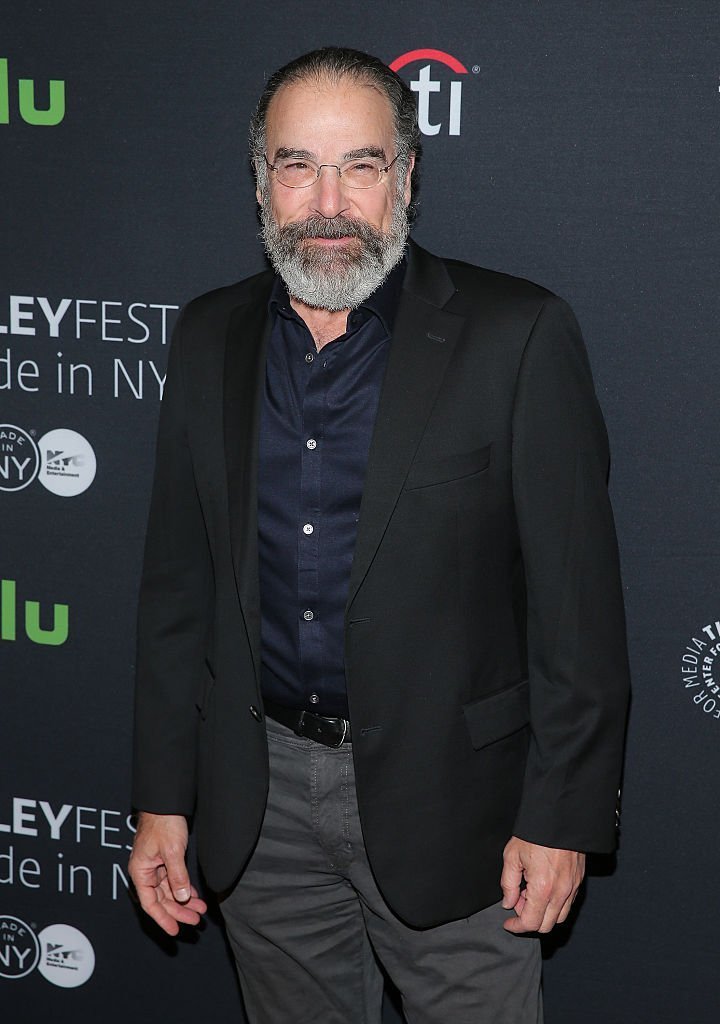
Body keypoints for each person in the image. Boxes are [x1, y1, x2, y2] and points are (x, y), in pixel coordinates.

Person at [128, 46, 630, 1024]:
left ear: (405, 177)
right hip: (257, 804)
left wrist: (560, 814)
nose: (328, 199)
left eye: (359, 165)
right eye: (296, 165)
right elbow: (175, 595)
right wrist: (162, 795)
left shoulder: (514, 334)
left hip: (462, 807)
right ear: (260, 182)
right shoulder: (205, 338)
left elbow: (578, 608)